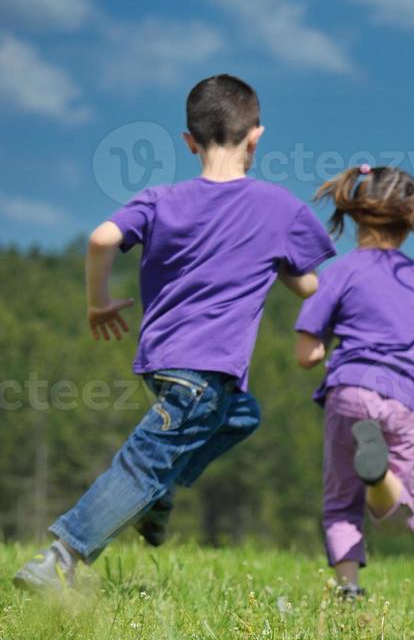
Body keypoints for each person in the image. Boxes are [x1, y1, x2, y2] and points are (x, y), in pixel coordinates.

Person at [13, 75, 333, 592]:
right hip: (205, 373)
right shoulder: (277, 207)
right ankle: (60, 559)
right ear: (256, 137)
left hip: (162, 366)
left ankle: (157, 496)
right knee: (141, 465)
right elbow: (310, 283)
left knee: (243, 414)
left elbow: (100, 238)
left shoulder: (160, 198)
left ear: (190, 141)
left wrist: (98, 303)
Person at [293, 165, 414, 599]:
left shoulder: (340, 271)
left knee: (341, 504)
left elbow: (306, 353)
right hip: (410, 398)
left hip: (350, 390)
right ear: (411, 219)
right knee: (399, 518)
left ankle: (348, 589)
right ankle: (379, 478)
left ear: (356, 211)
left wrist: (322, 350)